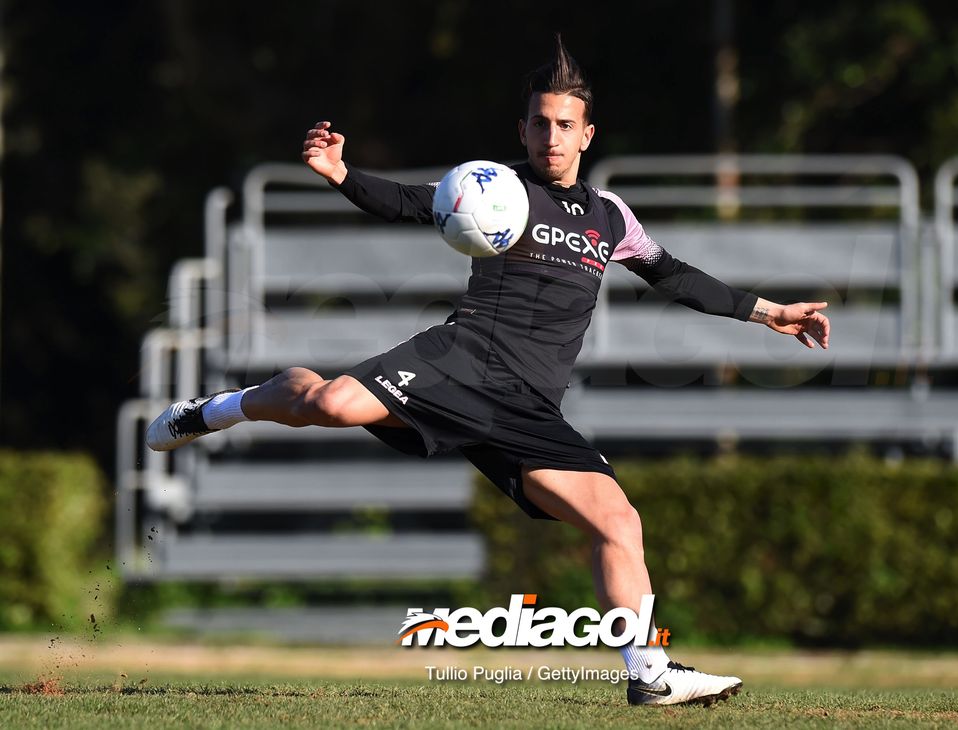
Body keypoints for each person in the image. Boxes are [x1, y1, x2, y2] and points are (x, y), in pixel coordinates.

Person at [147, 36, 829, 706]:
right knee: (328, 406)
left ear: (588, 134)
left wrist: (769, 312)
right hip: (461, 361)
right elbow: (411, 202)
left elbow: (674, 276)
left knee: (619, 521)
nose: (551, 137)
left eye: (565, 125)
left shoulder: (611, 217)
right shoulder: (495, 187)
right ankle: (218, 409)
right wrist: (342, 175)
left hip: (529, 404)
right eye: (540, 123)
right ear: (522, 129)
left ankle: (649, 673)